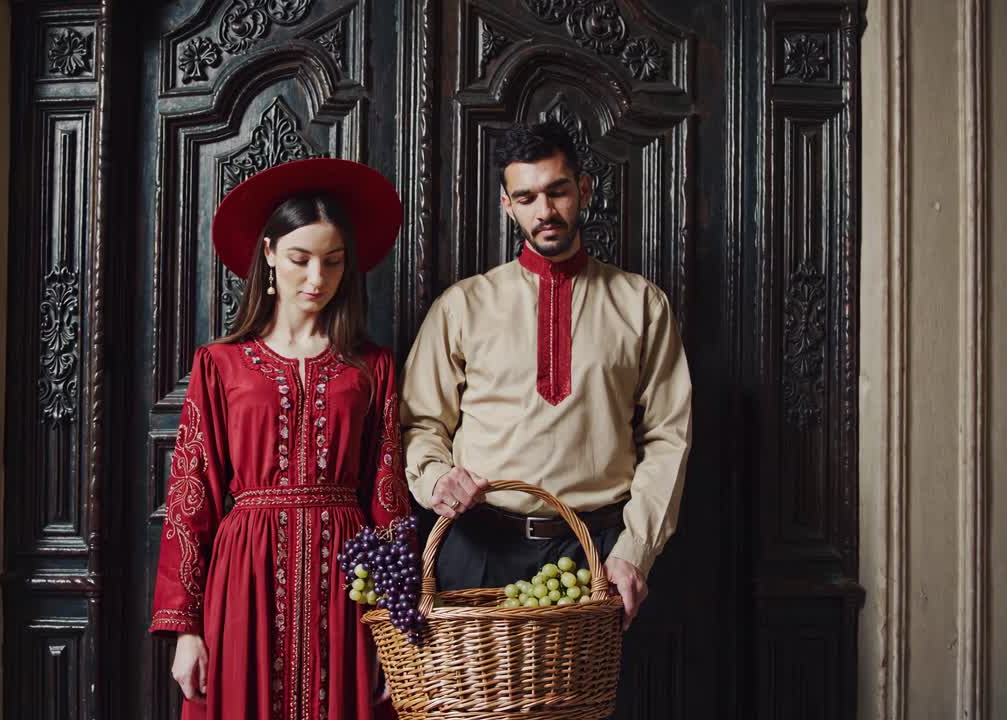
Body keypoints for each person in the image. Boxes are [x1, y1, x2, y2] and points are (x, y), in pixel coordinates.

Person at [400, 122, 692, 633]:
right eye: (526, 196)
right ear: (506, 204)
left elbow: (669, 436)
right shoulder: (463, 306)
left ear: (583, 189)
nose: (545, 211)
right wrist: (436, 478)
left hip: (594, 555)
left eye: (557, 191)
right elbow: (420, 422)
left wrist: (635, 551)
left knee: (584, 711)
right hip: (478, 549)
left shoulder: (641, 304)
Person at [150, 158, 412, 720]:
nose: (317, 278)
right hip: (243, 576)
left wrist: (395, 625)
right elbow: (189, 499)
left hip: (348, 578)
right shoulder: (220, 364)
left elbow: (388, 501)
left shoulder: (373, 367)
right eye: (300, 259)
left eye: (333, 262)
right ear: (268, 254)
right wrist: (186, 628)